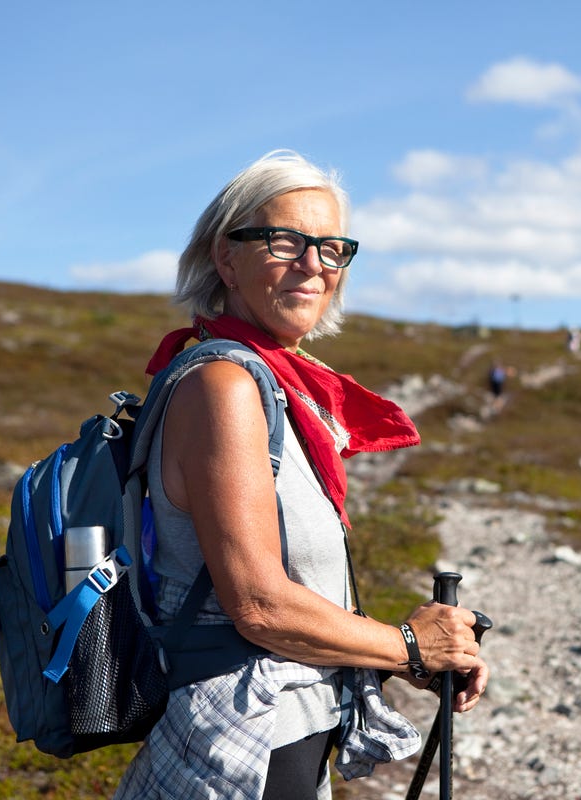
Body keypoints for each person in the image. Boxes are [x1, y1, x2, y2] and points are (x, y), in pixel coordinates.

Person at [114, 150, 489, 800]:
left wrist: (405, 655)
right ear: (225, 258)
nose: (314, 265)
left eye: (332, 247)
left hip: (285, 734)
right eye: (285, 242)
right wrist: (405, 644)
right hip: (245, 747)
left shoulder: (272, 389)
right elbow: (260, 605)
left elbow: (291, 592)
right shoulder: (223, 386)